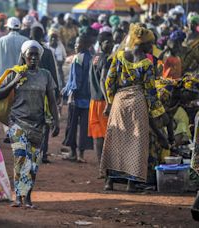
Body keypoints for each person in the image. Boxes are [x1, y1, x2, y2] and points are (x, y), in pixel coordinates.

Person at [101, 24, 168, 192]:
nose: (151, 47)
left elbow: (109, 82)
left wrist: (110, 101)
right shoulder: (146, 63)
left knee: (115, 139)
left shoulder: (119, 56)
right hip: (138, 103)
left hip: (119, 102)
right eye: (150, 44)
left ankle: (109, 181)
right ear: (144, 44)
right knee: (136, 142)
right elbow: (151, 94)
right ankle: (131, 184)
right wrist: (160, 114)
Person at [0, 40, 59, 208]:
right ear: (23, 56)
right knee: (20, 158)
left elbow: (52, 101)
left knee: (33, 163)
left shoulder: (45, 75)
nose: (33, 57)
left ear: (40, 57)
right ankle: (18, 196)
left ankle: (28, 196)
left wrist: (56, 121)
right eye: (30, 54)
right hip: (17, 122)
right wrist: (14, 81)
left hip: (38, 125)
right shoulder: (14, 73)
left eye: (36, 55)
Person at [30, 26, 59, 163]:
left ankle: (32, 150)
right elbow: (53, 72)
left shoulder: (26, 50)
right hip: (45, 90)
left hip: (29, 91)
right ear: (42, 37)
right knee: (46, 120)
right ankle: (43, 152)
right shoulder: (47, 52)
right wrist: (57, 91)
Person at [62, 34, 93, 163]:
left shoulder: (77, 59)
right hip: (88, 98)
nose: (75, 46)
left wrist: (71, 92)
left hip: (76, 97)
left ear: (85, 45)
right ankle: (81, 154)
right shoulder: (91, 58)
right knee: (84, 126)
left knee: (72, 125)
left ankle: (73, 152)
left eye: (78, 43)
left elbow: (76, 79)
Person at [88, 32, 114, 167]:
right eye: (108, 42)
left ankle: (100, 166)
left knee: (97, 135)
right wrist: (108, 101)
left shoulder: (95, 57)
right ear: (101, 43)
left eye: (112, 42)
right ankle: (106, 166)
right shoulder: (106, 59)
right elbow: (103, 79)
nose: (111, 44)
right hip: (103, 101)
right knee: (105, 136)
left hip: (93, 100)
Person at [0, 17, 29, 83]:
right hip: (21, 80)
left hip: (4, 80)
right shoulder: (25, 40)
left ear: (8, 28)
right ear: (19, 28)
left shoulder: (2, 40)